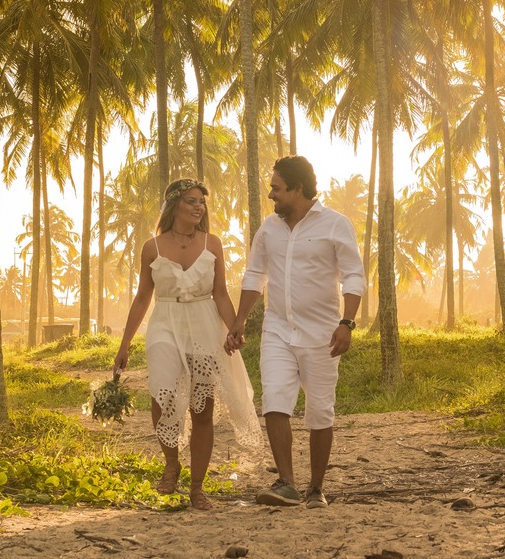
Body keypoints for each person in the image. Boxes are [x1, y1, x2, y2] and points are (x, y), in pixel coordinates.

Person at [225, 156, 365, 509]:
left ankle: (316, 488)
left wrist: (346, 323)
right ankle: (286, 482)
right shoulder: (269, 229)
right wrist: (240, 318)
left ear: (297, 189)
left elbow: (353, 276)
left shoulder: (335, 225)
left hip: (323, 334)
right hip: (278, 330)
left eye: (276, 188)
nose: (271, 194)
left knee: (320, 412)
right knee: (274, 400)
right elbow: (255, 275)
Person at [114, 178, 261, 511]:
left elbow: (221, 293)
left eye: (202, 203)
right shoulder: (152, 247)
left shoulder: (213, 244)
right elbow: (142, 297)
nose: (199, 207)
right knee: (162, 394)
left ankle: (197, 487)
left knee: (202, 408)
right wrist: (124, 344)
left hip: (205, 322)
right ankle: (171, 462)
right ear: (174, 206)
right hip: (164, 321)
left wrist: (234, 327)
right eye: (192, 201)